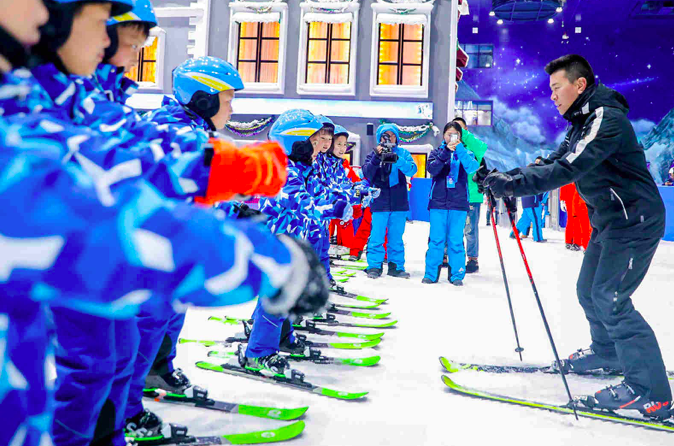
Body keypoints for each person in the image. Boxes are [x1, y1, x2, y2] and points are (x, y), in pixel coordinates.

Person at [479, 54, 671, 419]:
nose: (552, 95)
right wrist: (503, 178)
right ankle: (608, 352)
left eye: (556, 87)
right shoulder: (580, 122)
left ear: (579, 85)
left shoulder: (605, 119)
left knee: (610, 297)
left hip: (635, 221)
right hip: (610, 221)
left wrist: (513, 185)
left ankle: (650, 390)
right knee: (589, 291)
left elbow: (568, 168)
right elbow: (551, 161)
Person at [242, 109, 351, 373]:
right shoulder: (283, 171)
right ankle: (258, 352)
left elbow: (321, 193)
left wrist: (347, 197)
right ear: (296, 144)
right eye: (313, 143)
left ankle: (281, 337)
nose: (318, 149)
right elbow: (302, 203)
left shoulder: (302, 170)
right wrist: (332, 209)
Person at [423, 122, 479, 285]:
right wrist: (446, 152)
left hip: (458, 203)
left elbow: (471, 168)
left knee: (455, 240)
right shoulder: (437, 152)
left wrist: (459, 150)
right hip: (438, 203)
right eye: (449, 134)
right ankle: (431, 274)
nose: (451, 137)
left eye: (455, 134)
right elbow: (432, 170)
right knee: (436, 240)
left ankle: (456, 275)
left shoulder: (467, 152)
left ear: (460, 137)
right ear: (444, 136)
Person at [363, 124, 417, 279]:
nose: (388, 138)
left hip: (399, 202)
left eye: (391, 135)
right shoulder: (374, 154)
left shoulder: (403, 153)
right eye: (384, 135)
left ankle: (396, 266)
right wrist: (376, 157)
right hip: (380, 201)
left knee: (396, 236)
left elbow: (412, 170)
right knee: (377, 235)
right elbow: (366, 173)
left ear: (397, 138)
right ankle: (374, 266)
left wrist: (397, 160)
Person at [452, 117, 488, 274]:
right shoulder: (449, 144)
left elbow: (482, 149)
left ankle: (473, 259)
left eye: (460, 128)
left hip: (471, 195)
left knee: (470, 229)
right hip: (452, 195)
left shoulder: (474, 145)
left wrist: (463, 135)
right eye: (454, 128)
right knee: (452, 228)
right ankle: (449, 256)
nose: (457, 131)